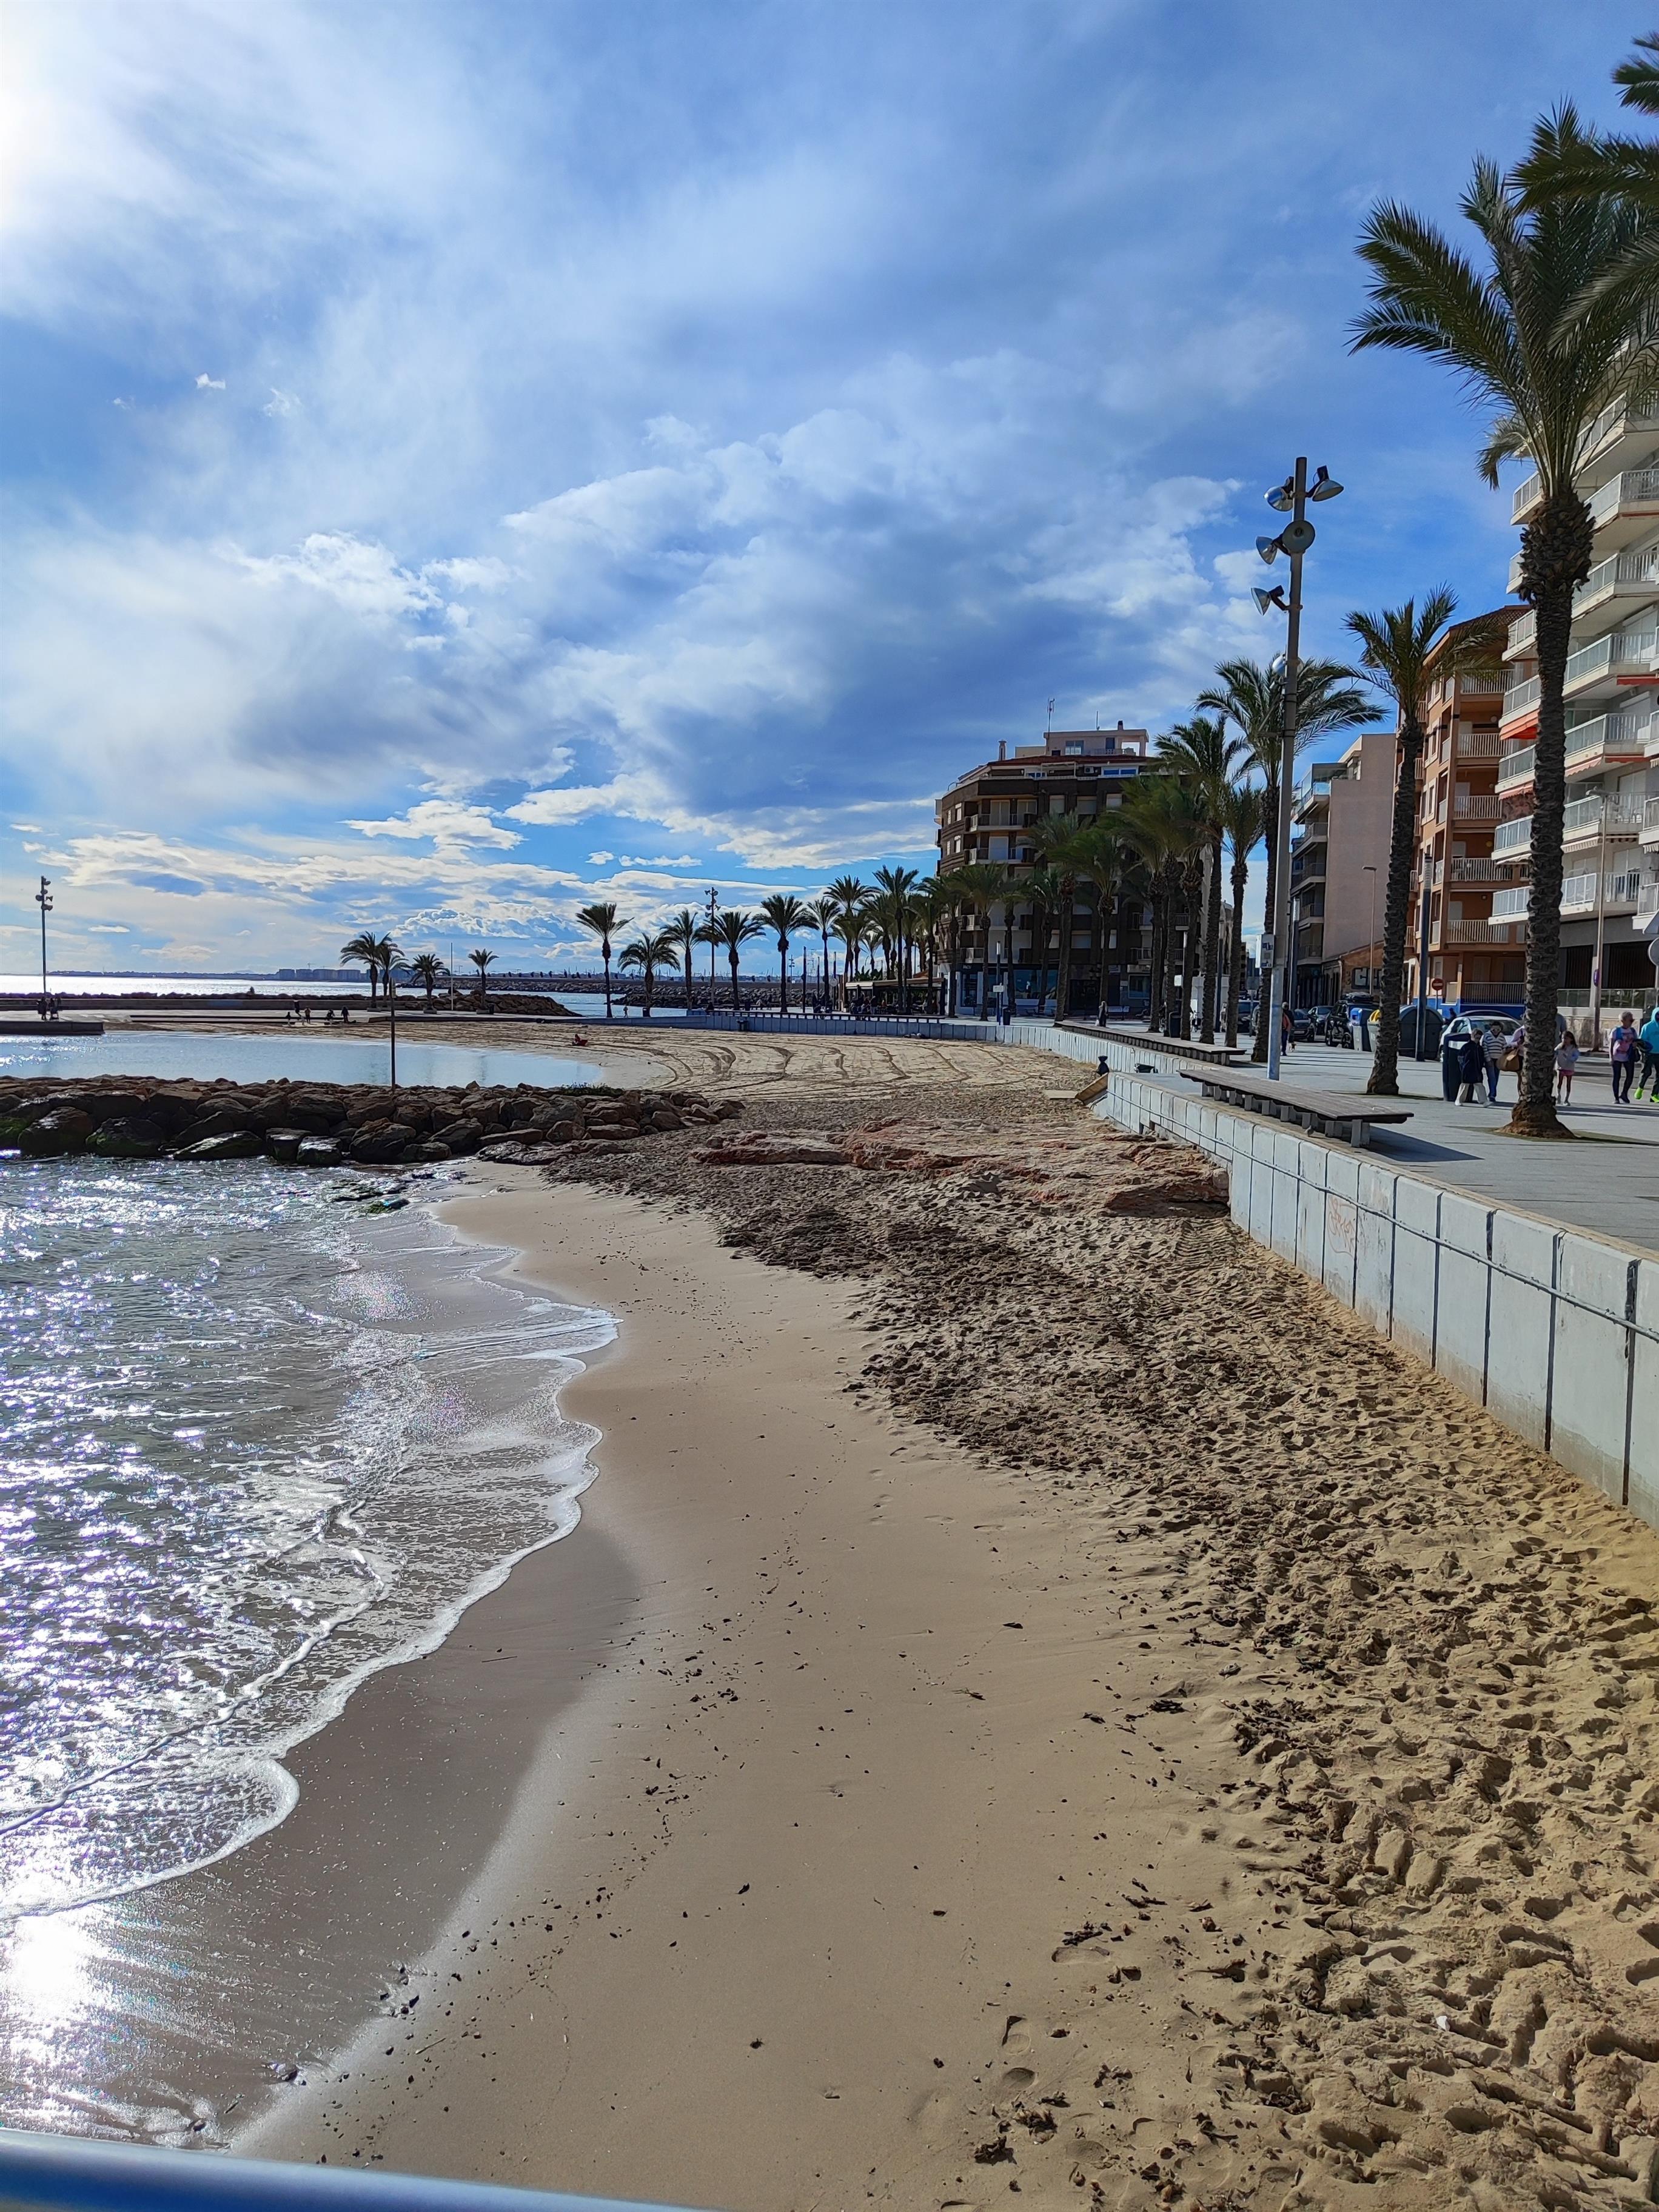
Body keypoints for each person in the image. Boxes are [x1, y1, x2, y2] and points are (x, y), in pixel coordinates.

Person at [1609, 1010, 1640, 1104]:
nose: (1632, 1022)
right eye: (1630, 1020)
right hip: (1617, 1056)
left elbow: (1637, 1041)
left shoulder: (1633, 1031)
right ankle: (1616, 1097)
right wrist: (1611, 1057)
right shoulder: (1616, 1031)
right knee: (1617, 1077)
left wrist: (1636, 1044)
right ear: (1623, 1021)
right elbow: (1611, 1045)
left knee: (1630, 1076)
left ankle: (1624, 1093)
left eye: (1632, 1020)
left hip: (1629, 1056)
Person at [1457, 1025, 1487, 1104]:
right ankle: (1459, 1100)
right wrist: (1463, 1066)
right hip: (1467, 1069)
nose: (1478, 1040)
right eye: (1476, 1038)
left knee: (1480, 1085)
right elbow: (1460, 1058)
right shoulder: (1466, 1047)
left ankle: (1483, 1101)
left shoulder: (1480, 1048)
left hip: (1477, 1069)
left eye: (1479, 1038)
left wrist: (1481, 1065)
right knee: (1464, 1085)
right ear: (1472, 1037)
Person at [1636, 1005, 1659, 1102]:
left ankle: (1655, 1095)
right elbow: (1642, 1040)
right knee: (1646, 1073)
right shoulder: (1648, 1027)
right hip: (1649, 1054)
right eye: (1657, 1015)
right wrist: (1644, 1050)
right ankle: (1640, 1088)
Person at [1481, 1020, 1506, 1104]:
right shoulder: (1487, 1036)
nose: (1496, 1031)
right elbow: (1485, 1047)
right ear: (1491, 1028)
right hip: (1490, 1059)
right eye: (1494, 1030)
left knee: (1496, 1077)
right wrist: (1488, 1059)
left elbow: (1504, 1046)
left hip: (1498, 1059)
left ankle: (1492, 1093)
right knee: (1492, 1077)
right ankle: (1492, 1095)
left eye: (1498, 1030)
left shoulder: (1502, 1036)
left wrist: (1502, 1057)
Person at [1554, 1027, 1580, 1106]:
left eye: (1566, 1038)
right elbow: (1555, 1052)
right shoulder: (1560, 1046)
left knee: (1568, 1083)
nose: (1564, 1040)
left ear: (1571, 1039)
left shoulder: (1573, 1048)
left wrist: (1571, 1059)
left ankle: (1566, 1099)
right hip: (1560, 1067)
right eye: (1563, 1038)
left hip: (1569, 1067)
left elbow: (1576, 1056)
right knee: (1560, 1082)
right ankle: (1558, 1096)